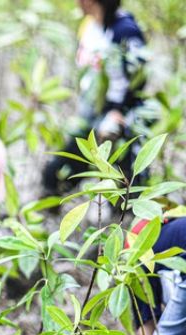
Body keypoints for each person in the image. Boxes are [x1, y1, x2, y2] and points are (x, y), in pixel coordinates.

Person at [42, 0, 147, 197]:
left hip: (121, 118)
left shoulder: (126, 31)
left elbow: (136, 78)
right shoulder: (90, 26)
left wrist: (116, 110)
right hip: (92, 114)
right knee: (56, 173)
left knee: (127, 185)